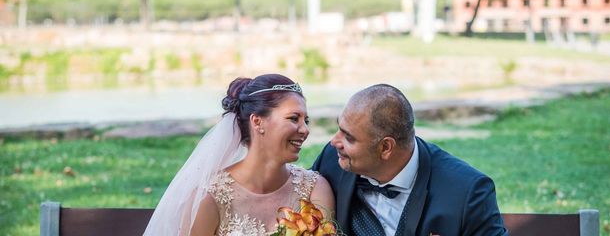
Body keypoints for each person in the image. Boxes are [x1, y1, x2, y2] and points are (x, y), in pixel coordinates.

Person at [143, 74, 335, 236]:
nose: (305, 130)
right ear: (257, 121)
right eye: (294, 118)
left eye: (306, 120)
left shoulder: (314, 188)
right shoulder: (210, 197)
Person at [312, 84, 507, 236]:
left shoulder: (467, 193)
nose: (334, 141)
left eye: (349, 137)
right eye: (339, 128)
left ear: (386, 147)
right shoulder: (331, 162)